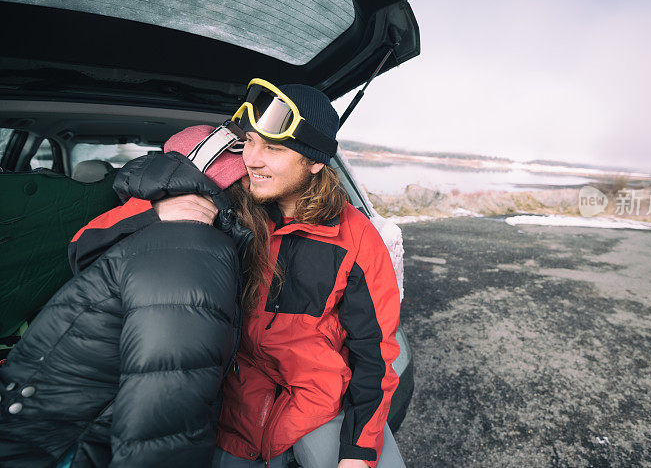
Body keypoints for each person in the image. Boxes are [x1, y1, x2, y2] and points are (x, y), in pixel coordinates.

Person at [154, 81, 405, 468]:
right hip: (232, 408)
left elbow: (374, 353)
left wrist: (358, 452)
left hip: (317, 405)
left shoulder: (355, 238)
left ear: (315, 162)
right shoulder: (227, 206)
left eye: (272, 148)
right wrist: (156, 215)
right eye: (249, 142)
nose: (252, 159)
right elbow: (91, 238)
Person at [0, 124, 256, 467]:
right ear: (232, 183)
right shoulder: (191, 248)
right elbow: (163, 420)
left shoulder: (150, 223)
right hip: (63, 448)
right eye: (252, 176)